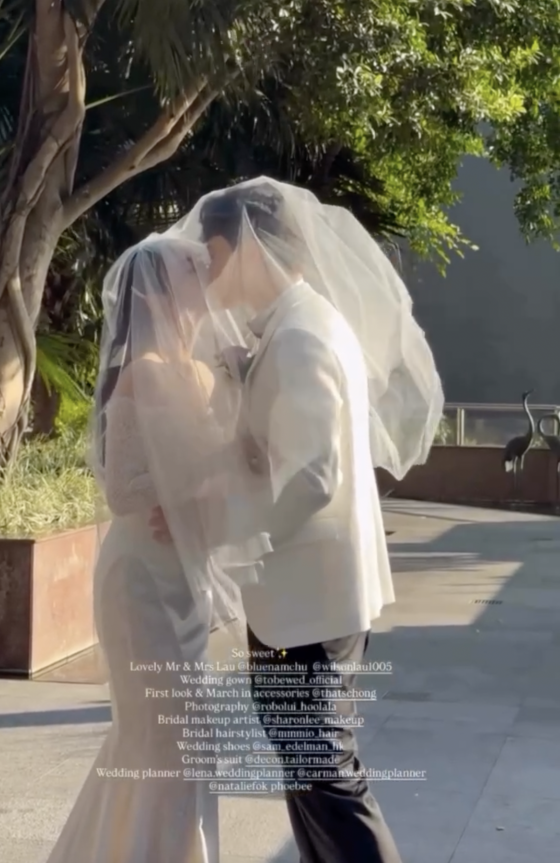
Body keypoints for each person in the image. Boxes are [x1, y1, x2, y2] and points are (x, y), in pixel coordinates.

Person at [164, 178, 443, 863]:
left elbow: (312, 478)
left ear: (247, 247)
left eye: (213, 254)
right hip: (307, 595)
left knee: (327, 774)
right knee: (310, 769)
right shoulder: (296, 325)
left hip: (309, 602)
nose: (208, 270)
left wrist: (224, 529)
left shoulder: (299, 337)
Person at [45, 233, 253, 863]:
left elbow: (223, 465)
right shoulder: (143, 371)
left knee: (181, 741)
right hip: (139, 579)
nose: (205, 288)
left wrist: (207, 490)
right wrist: (183, 491)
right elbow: (123, 487)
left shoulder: (206, 374)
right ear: (162, 293)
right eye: (192, 278)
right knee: (164, 738)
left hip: (184, 573)